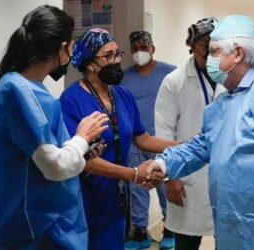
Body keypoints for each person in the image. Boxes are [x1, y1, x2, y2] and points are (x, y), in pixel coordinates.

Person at [145, 15, 254, 250]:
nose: (209, 59)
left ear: (238, 54)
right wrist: (164, 165)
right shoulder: (225, 101)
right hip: (233, 225)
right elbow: (202, 145)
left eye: (215, 52)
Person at [0, 5, 109, 249]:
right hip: (36, 228)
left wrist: (82, 150)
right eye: (70, 46)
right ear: (62, 48)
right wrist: (82, 136)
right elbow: (55, 166)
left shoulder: (26, 88)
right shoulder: (19, 92)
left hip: (45, 220)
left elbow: (35, 155)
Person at [59, 28, 178, 250]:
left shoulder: (122, 95)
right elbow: (84, 160)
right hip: (84, 200)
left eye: (117, 54)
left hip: (116, 200)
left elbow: (142, 138)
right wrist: (133, 174)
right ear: (89, 63)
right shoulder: (71, 100)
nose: (116, 61)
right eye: (107, 56)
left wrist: (182, 145)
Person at [154, 17, 225, 250]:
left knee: (227, 239)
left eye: (217, 43)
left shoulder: (230, 77)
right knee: (186, 242)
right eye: (206, 43)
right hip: (187, 178)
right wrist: (171, 177)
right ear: (193, 45)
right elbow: (163, 131)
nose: (212, 49)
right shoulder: (174, 81)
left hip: (226, 177)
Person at [121, 31, 176, 250]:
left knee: (166, 186)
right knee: (137, 188)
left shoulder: (170, 73)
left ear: (152, 48)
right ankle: (140, 232)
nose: (139, 52)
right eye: (135, 49)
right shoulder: (124, 78)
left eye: (143, 47)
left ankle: (170, 230)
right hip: (134, 141)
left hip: (161, 140)